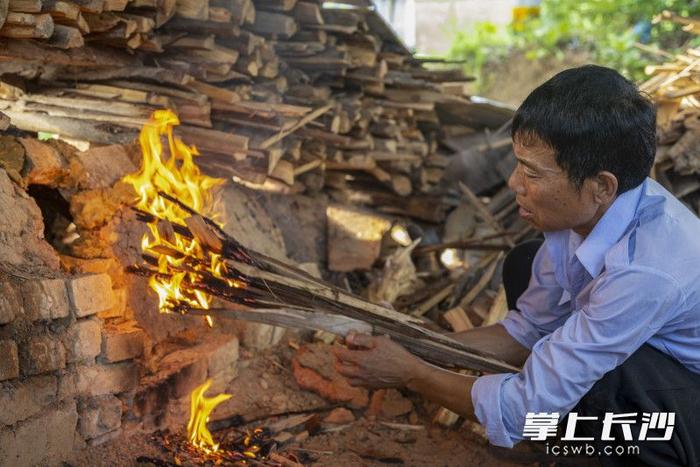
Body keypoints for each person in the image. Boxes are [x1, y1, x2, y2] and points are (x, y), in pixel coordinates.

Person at [333, 65, 700, 466]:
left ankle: (619, 452)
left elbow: (526, 411)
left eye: (531, 172)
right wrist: (419, 347)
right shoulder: (586, 215)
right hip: (644, 352)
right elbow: (529, 330)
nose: (513, 184)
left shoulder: (645, 270)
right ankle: (572, 428)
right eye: (518, 164)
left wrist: (409, 374)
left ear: (601, 186)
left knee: (615, 376)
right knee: (523, 264)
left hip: (686, 397)